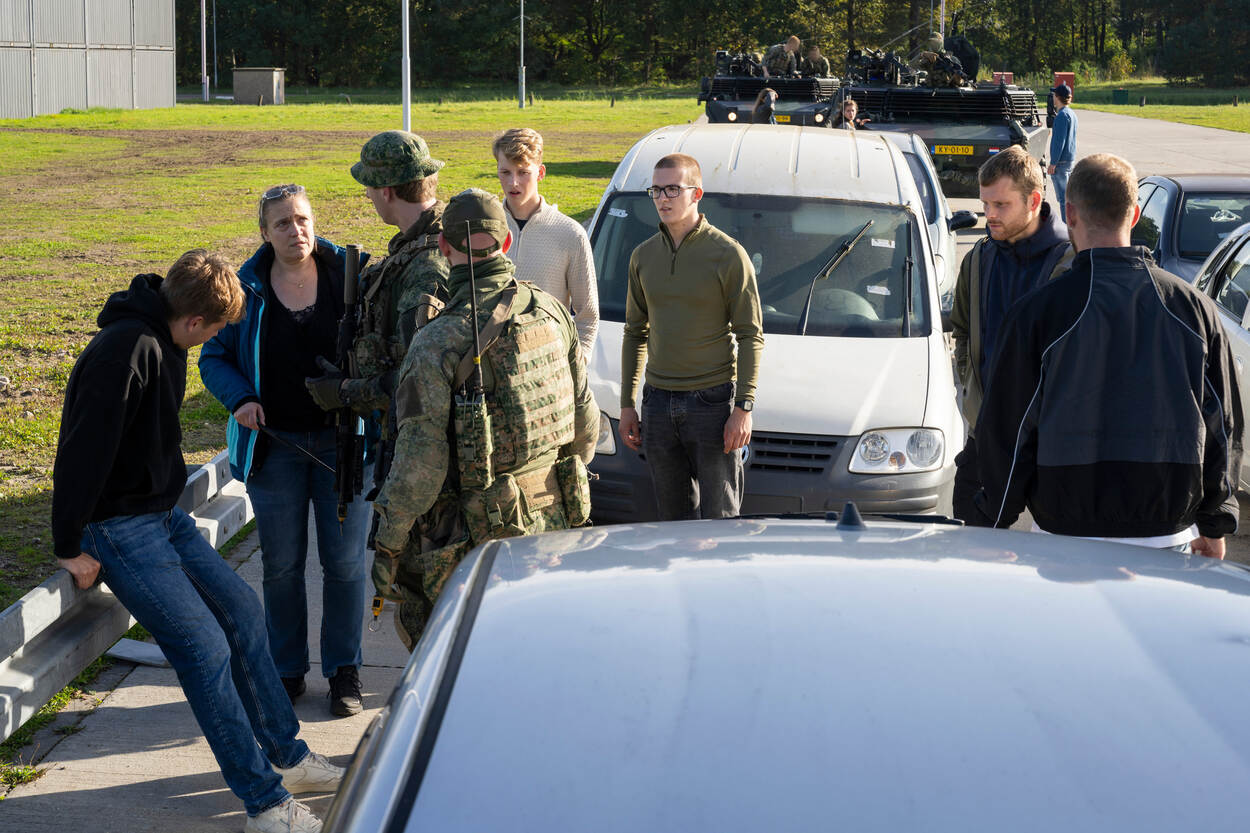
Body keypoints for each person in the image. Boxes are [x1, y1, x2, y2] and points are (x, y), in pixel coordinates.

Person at [53, 251, 342, 833]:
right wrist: (68, 544)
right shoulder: (126, 350)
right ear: (191, 322)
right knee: (205, 648)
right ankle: (264, 804)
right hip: (115, 526)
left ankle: (288, 759)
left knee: (241, 612)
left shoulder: (161, 339)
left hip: (161, 515)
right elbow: (81, 450)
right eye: (212, 331)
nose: (210, 339)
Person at [968, 153, 1243, 555]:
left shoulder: (1038, 313)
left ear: (1070, 213)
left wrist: (992, 520)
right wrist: (1214, 523)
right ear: (1134, 216)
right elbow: (1222, 422)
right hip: (1166, 532)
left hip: (1063, 534)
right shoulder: (1193, 308)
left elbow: (1008, 429)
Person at [370, 188, 598, 649]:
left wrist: (388, 543)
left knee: (457, 656)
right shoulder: (552, 312)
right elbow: (585, 422)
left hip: (476, 544)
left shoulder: (437, 342)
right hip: (551, 526)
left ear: (444, 248)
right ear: (506, 244)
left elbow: (420, 466)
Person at [199, 184, 372, 717]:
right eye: (282, 224)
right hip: (274, 450)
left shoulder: (354, 275)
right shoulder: (245, 287)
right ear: (264, 233)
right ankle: (286, 671)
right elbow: (213, 356)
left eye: (302, 219)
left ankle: (345, 671)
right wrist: (241, 398)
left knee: (344, 565)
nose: (295, 231)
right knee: (281, 566)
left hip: (345, 448)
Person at [303, 130, 450, 509]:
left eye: (369, 187)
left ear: (386, 189)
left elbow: (416, 384)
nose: (367, 197)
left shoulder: (426, 268)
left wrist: (346, 391)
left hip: (421, 456)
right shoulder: (418, 248)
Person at [619, 153, 764, 520]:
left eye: (672, 189)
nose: (663, 199)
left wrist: (742, 409)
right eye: (656, 190)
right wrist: (627, 405)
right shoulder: (642, 256)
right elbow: (635, 333)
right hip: (657, 406)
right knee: (672, 524)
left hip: (713, 404)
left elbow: (750, 335)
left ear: (696, 193)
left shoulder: (728, 255)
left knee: (721, 523)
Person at [949, 147, 1071, 522]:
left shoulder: (1072, 263)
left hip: (1051, 451)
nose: (989, 215)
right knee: (970, 556)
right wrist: (974, 394)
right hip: (985, 441)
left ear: (1034, 200)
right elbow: (963, 331)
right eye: (985, 204)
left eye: (1001, 205)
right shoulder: (978, 259)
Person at [493, 127, 599, 356]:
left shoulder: (571, 234)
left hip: (550, 372)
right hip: (492, 376)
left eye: (523, 172)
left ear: (540, 172)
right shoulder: (485, 230)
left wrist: (575, 369)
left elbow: (587, 316)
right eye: (505, 172)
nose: (513, 183)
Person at [1048, 83, 1077, 221]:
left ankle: (1067, 229)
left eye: (1054, 95)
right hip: (1069, 160)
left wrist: (1053, 163)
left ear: (1058, 97)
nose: (1052, 97)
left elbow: (1060, 141)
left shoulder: (1061, 116)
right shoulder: (1072, 114)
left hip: (1061, 162)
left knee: (1063, 199)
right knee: (1069, 197)